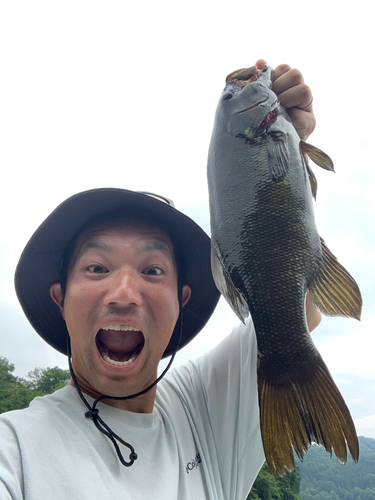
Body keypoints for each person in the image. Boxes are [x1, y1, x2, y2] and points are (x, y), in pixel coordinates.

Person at [0, 61, 320, 499]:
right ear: (59, 298)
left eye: (152, 270)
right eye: (97, 268)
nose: (125, 294)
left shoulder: (202, 410)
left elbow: (299, 307)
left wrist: (287, 169)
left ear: (181, 300)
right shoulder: (14, 451)